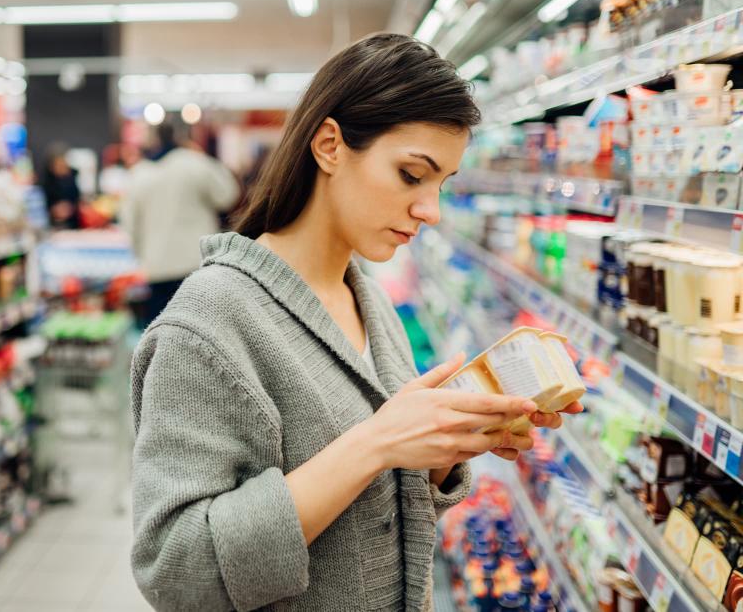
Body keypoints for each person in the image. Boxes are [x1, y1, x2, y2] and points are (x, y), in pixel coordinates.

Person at [130, 33, 583, 611]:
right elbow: (176, 572)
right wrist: (376, 442)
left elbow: (368, 518)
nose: (431, 210)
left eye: (442, 184)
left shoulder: (371, 303)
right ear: (329, 146)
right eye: (411, 175)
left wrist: (444, 449)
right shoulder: (208, 323)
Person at [121, 122, 239, 326]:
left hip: (157, 268)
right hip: (196, 264)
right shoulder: (194, 163)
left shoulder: (139, 175)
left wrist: (142, 257)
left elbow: (130, 225)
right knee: (202, 335)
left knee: (160, 337)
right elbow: (228, 195)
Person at [41, 142, 81, 229]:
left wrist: (72, 207)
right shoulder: (45, 182)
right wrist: (53, 211)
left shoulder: (73, 178)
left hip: (73, 225)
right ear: (51, 166)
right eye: (58, 164)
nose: (62, 167)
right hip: (51, 226)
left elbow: (78, 200)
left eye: (63, 163)